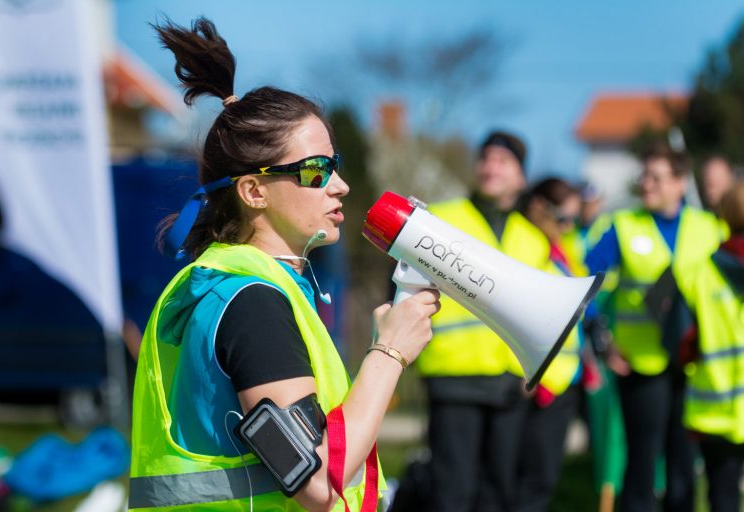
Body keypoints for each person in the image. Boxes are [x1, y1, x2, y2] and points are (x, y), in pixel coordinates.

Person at [128, 18, 440, 512]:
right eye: (316, 170)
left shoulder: (223, 285)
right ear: (254, 191)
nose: (340, 185)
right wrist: (389, 352)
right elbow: (315, 481)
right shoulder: (251, 303)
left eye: (335, 165)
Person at [585, 142, 723, 511]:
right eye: (643, 176)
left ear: (680, 182)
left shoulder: (709, 227)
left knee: (683, 467)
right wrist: (600, 338)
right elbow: (583, 280)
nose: (646, 184)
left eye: (656, 177)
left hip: (694, 364)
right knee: (642, 464)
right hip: (640, 364)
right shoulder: (624, 226)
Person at [413, 130, 547, 512]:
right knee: (452, 494)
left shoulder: (534, 239)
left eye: (503, 161)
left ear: (521, 176)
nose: (491, 167)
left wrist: (534, 369)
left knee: (498, 495)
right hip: (453, 376)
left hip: (510, 383)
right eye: (486, 158)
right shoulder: (441, 219)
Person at [674, 179, 744, 512]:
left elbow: (680, 343)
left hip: (717, 409)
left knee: (723, 500)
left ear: (723, 216)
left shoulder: (698, 273)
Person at [514, 177, 585, 512]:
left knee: (543, 480)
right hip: (535, 382)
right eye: (563, 218)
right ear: (538, 207)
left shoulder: (563, 249)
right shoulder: (523, 245)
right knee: (528, 482)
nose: (568, 227)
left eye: (574, 219)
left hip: (563, 380)